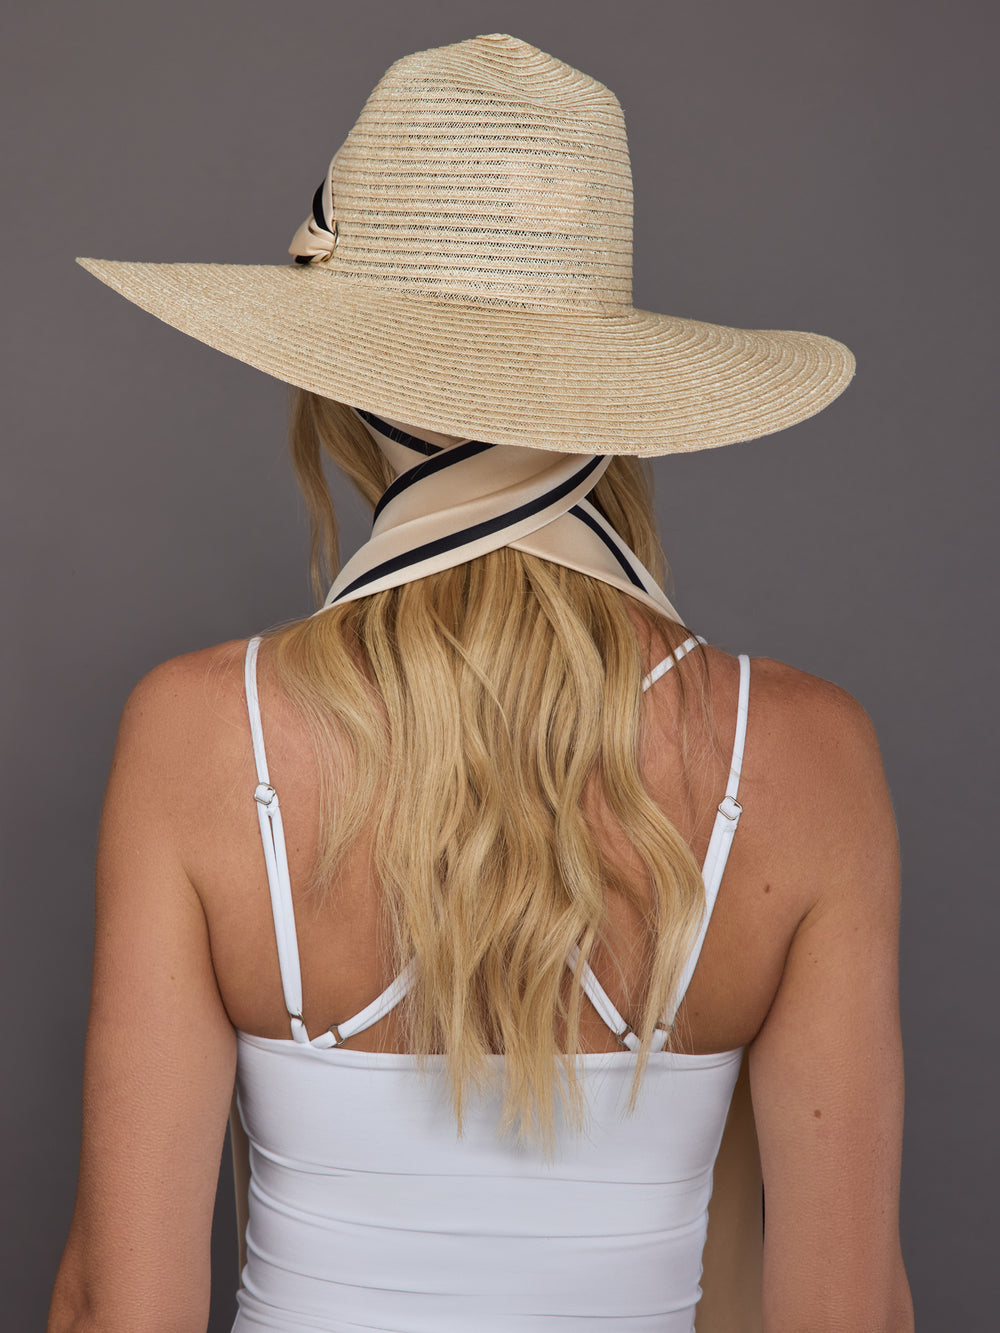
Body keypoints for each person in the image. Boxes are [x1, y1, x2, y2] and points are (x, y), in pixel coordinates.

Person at [48, 32, 913, 1333]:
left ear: (340, 401)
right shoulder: (802, 761)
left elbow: (118, 1307)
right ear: (618, 397)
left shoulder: (202, 739)